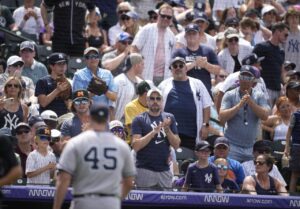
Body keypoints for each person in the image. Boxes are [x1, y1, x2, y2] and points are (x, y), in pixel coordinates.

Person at [52, 105, 136, 209]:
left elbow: (63, 178)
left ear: (89, 118)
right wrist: (116, 200)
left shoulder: (76, 143)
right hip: (110, 202)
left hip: (84, 201)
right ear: (106, 119)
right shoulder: (122, 146)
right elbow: (128, 182)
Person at [131, 88, 180, 190]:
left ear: (162, 101)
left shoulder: (169, 118)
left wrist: (167, 129)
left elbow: (176, 145)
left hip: (164, 171)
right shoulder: (139, 119)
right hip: (144, 170)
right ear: (147, 101)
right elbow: (135, 145)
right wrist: (153, 132)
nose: (155, 101)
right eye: (152, 99)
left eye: (158, 99)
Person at [158, 57, 212, 150]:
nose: (178, 68)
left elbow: (206, 106)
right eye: (175, 66)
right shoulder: (163, 85)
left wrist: (205, 125)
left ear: (186, 68)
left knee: (189, 160)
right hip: (169, 132)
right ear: (171, 70)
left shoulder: (198, 84)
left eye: (181, 65)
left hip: (191, 132)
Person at [219, 65, 270, 162]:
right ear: (238, 78)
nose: (245, 80)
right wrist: (238, 106)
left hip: (251, 147)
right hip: (232, 146)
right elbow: (221, 118)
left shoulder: (259, 95)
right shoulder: (229, 95)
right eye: (243, 76)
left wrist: (251, 103)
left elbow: (265, 116)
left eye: (248, 77)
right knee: (231, 176)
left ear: (254, 81)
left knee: (250, 176)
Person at [131, 3, 176, 85]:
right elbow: (134, 49)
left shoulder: (172, 36)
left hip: (165, 78)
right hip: (144, 75)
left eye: (169, 17)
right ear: (158, 15)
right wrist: (136, 71)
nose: (165, 18)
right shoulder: (147, 29)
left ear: (171, 19)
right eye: (163, 16)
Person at [172, 23, 220, 95]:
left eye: (194, 33)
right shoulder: (179, 52)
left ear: (199, 36)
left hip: (204, 91)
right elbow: (174, 71)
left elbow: (217, 71)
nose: (191, 36)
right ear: (185, 36)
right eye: (189, 34)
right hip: (185, 91)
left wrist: (206, 65)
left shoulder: (208, 50)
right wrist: (194, 63)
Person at [253, 22, 289, 108]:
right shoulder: (261, 47)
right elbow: (252, 66)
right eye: (285, 34)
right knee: (265, 116)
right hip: (265, 88)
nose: (286, 37)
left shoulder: (281, 51)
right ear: (277, 32)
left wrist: (285, 85)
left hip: (278, 89)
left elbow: (281, 70)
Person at [35, 52, 71, 117]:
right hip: (47, 118)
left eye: (64, 64)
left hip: (63, 118)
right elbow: (43, 103)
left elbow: (69, 106)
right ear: (52, 66)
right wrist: (57, 90)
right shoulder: (42, 81)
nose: (62, 66)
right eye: (59, 64)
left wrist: (65, 96)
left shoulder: (67, 82)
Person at [113, 53, 144, 121]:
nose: (143, 67)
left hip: (137, 122)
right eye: (142, 64)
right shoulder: (119, 81)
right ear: (136, 65)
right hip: (121, 121)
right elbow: (112, 105)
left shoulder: (141, 82)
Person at [284, 81, 300, 193]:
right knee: (295, 173)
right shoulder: (296, 115)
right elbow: (289, 131)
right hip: (297, 146)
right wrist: (287, 148)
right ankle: (291, 198)